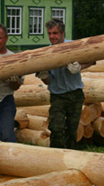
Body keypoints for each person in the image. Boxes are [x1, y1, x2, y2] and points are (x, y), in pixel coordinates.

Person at [36, 19, 94, 149]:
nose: (52, 36)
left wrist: (80, 66)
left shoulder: (74, 46)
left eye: (55, 33)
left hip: (75, 94)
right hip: (58, 96)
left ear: (62, 33)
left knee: (72, 130)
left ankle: (70, 157)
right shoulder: (47, 53)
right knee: (56, 127)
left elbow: (92, 60)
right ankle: (56, 155)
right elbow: (48, 81)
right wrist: (43, 76)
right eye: (50, 33)